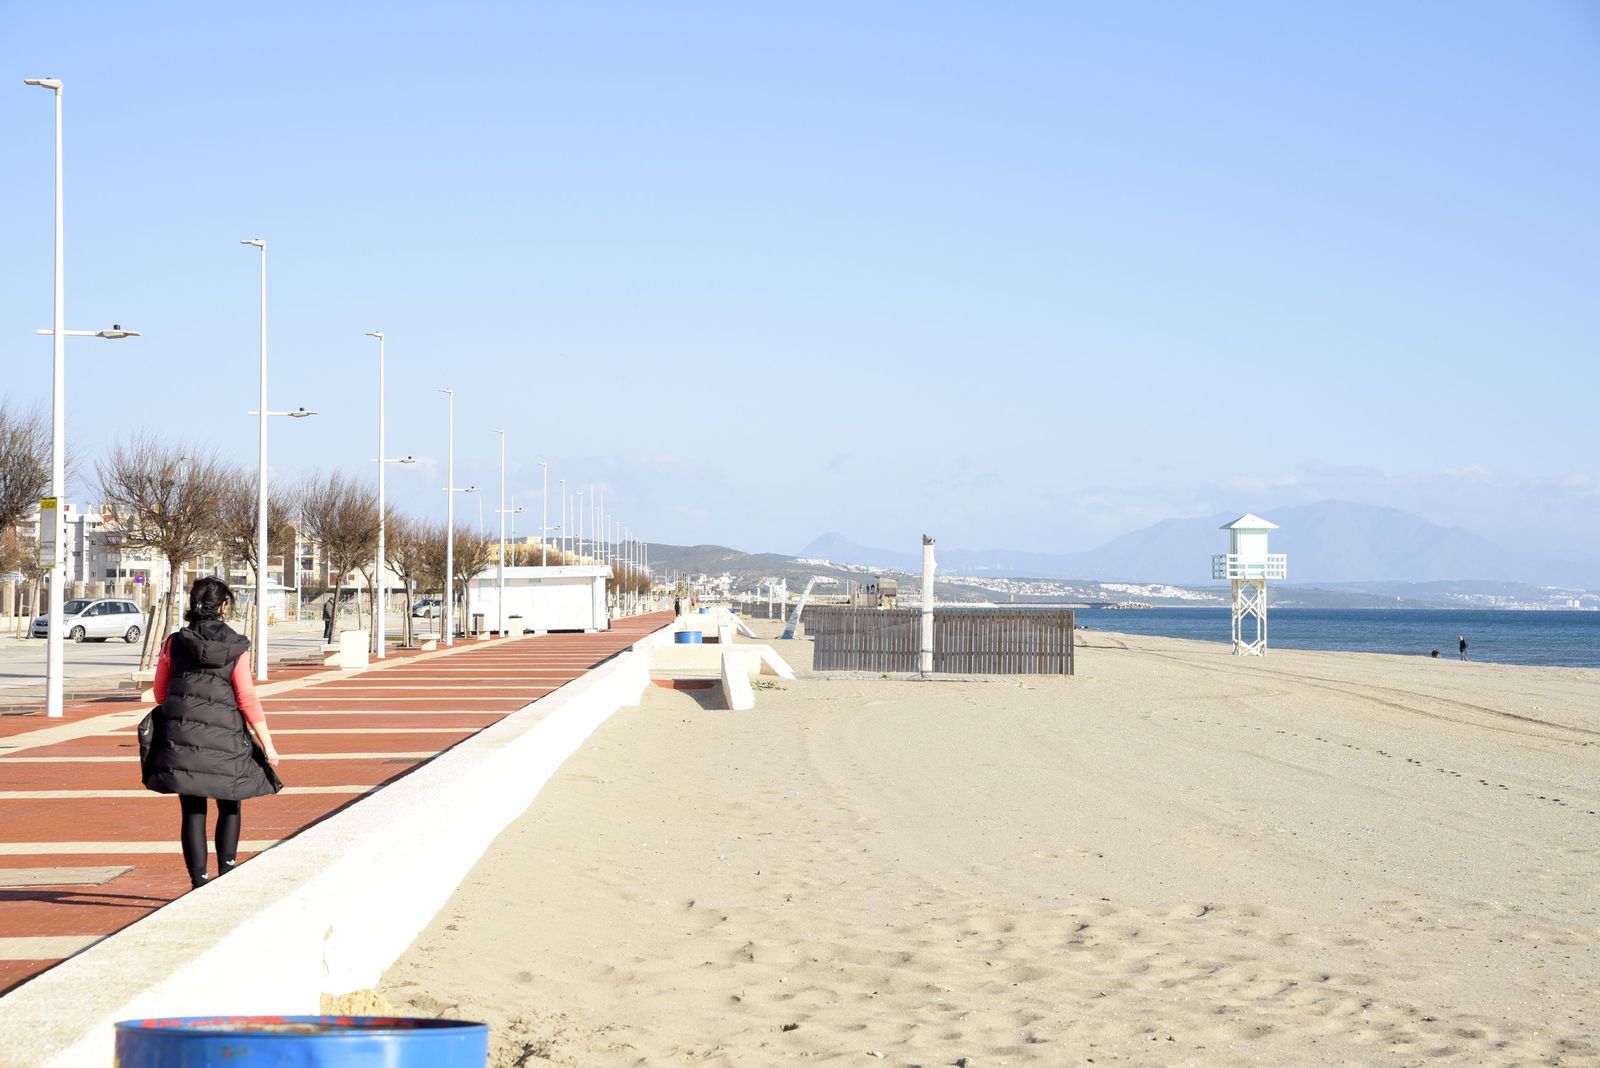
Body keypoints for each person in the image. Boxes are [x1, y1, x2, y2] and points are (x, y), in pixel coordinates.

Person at [143, 577, 282, 889]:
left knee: (193, 808)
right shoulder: (235, 645)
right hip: (226, 738)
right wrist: (268, 745)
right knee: (230, 801)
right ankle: (227, 873)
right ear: (224, 606)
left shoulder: (174, 643)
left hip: (183, 738)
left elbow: (160, 693)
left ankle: (199, 881)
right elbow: (246, 698)